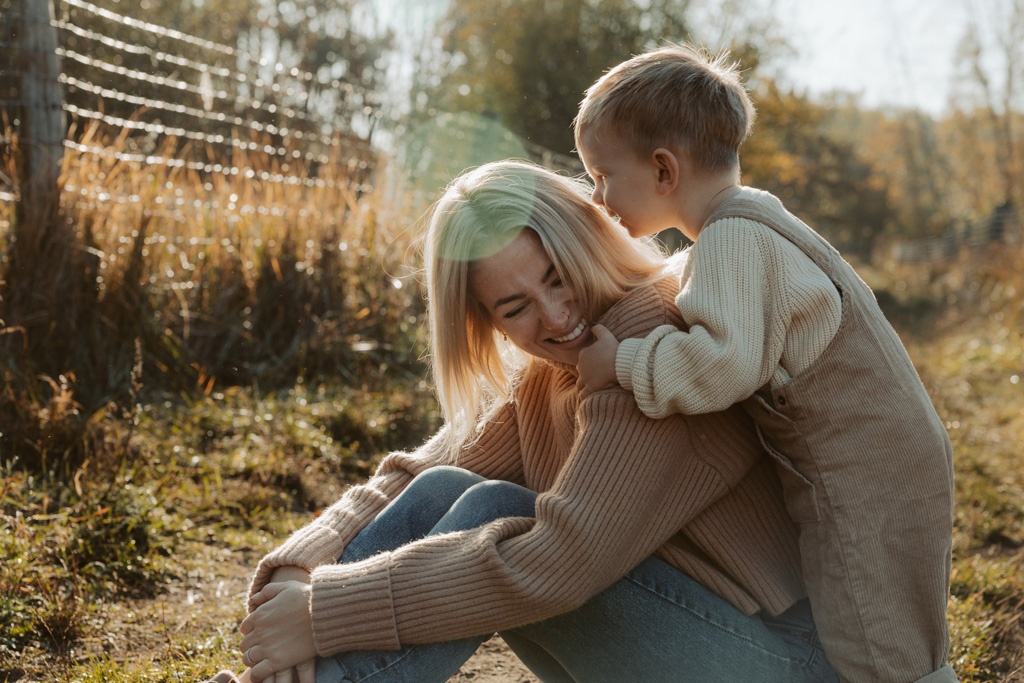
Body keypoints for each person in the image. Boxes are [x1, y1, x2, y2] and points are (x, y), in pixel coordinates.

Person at [203, 160, 840, 683]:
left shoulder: (651, 341)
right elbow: (430, 473)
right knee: (445, 493)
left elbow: (557, 564)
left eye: (559, 278)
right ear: (488, 323)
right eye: (516, 308)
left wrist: (324, 611)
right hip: (699, 641)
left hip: (777, 660)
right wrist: (304, 562)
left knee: (497, 515)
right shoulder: (556, 375)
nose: (557, 317)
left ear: (587, 240)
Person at [573, 43, 957, 683]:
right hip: (890, 451)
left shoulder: (731, 238)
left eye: (603, 175)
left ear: (664, 170)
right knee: (894, 617)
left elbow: (722, 363)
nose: (596, 196)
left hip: (858, 466)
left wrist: (623, 362)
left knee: (873, 635)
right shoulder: (761, 221)